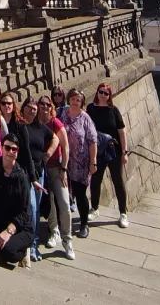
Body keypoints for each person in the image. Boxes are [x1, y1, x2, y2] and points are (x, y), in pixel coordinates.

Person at [0, 132, 34, 266]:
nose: (10, 152)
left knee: (9, 252)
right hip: (0, 221)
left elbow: (25, 212)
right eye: (7, 148)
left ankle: (24, 250)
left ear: (17, 153)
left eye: (14, 149)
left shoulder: (21, 177)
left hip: (20, 227)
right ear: (2, 148)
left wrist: (8, 231)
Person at [21, 96, 58, 262]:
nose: (32, 110)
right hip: (24, 173)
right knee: (30, 207)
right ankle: (27, 244)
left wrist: (48, 154)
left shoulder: (41, 127)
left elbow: (56, 138)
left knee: (35, 209)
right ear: (23, 108)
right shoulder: (21, 127)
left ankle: (34, 245)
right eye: (29, 107)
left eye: (34, 108)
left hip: (39, 172)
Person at [87, 83, 129, 228]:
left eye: (106, 93)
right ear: (97, 92)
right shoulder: (91, 109)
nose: (103, 95)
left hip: (113, 151)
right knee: (95, 180)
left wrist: (124, 152)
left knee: (118, 181)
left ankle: (123, 213)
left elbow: (122, 132)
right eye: (101, 92)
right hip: (97, 151)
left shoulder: (113, 110)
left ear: (109, 95)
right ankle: (94, 208)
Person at [58, 88, 98, 239]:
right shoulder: (61, 113)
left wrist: (93, 162)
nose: (75, 102)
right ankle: (61, 224)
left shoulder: (85, 118)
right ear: (69, 99)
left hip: (81, 163)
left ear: (82, 103)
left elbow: (92, 141)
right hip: (63, 161)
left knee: (80, 194)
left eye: (78, 100)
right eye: (73, 99)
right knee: (62, 194)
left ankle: (83, 224)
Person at [37, 95, 74, 259]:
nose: (45, 107)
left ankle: (68, 240)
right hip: (42, 169)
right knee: (49, 201)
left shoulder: (55, 123)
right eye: (42, 104)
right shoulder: (36, 122)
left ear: (51, 107)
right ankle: (54, 232)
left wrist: (64, 168)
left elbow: (65, 147)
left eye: (47, 104)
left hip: (57, 168)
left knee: (64, 202)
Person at [0, 92, 37, 184]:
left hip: (19, 167)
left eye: (9, 103)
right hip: (1, 167)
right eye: (3, 103)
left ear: (13, 105)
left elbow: (27, 151)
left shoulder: (20, 125)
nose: (6, 105)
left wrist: (33, 178)